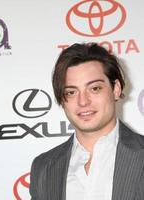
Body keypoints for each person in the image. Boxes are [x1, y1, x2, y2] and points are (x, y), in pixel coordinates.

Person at [30, 43, 144, 200]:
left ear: (116, 89)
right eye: (71, 92)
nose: (83, 101)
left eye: (95, 88)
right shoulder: (43, 167)